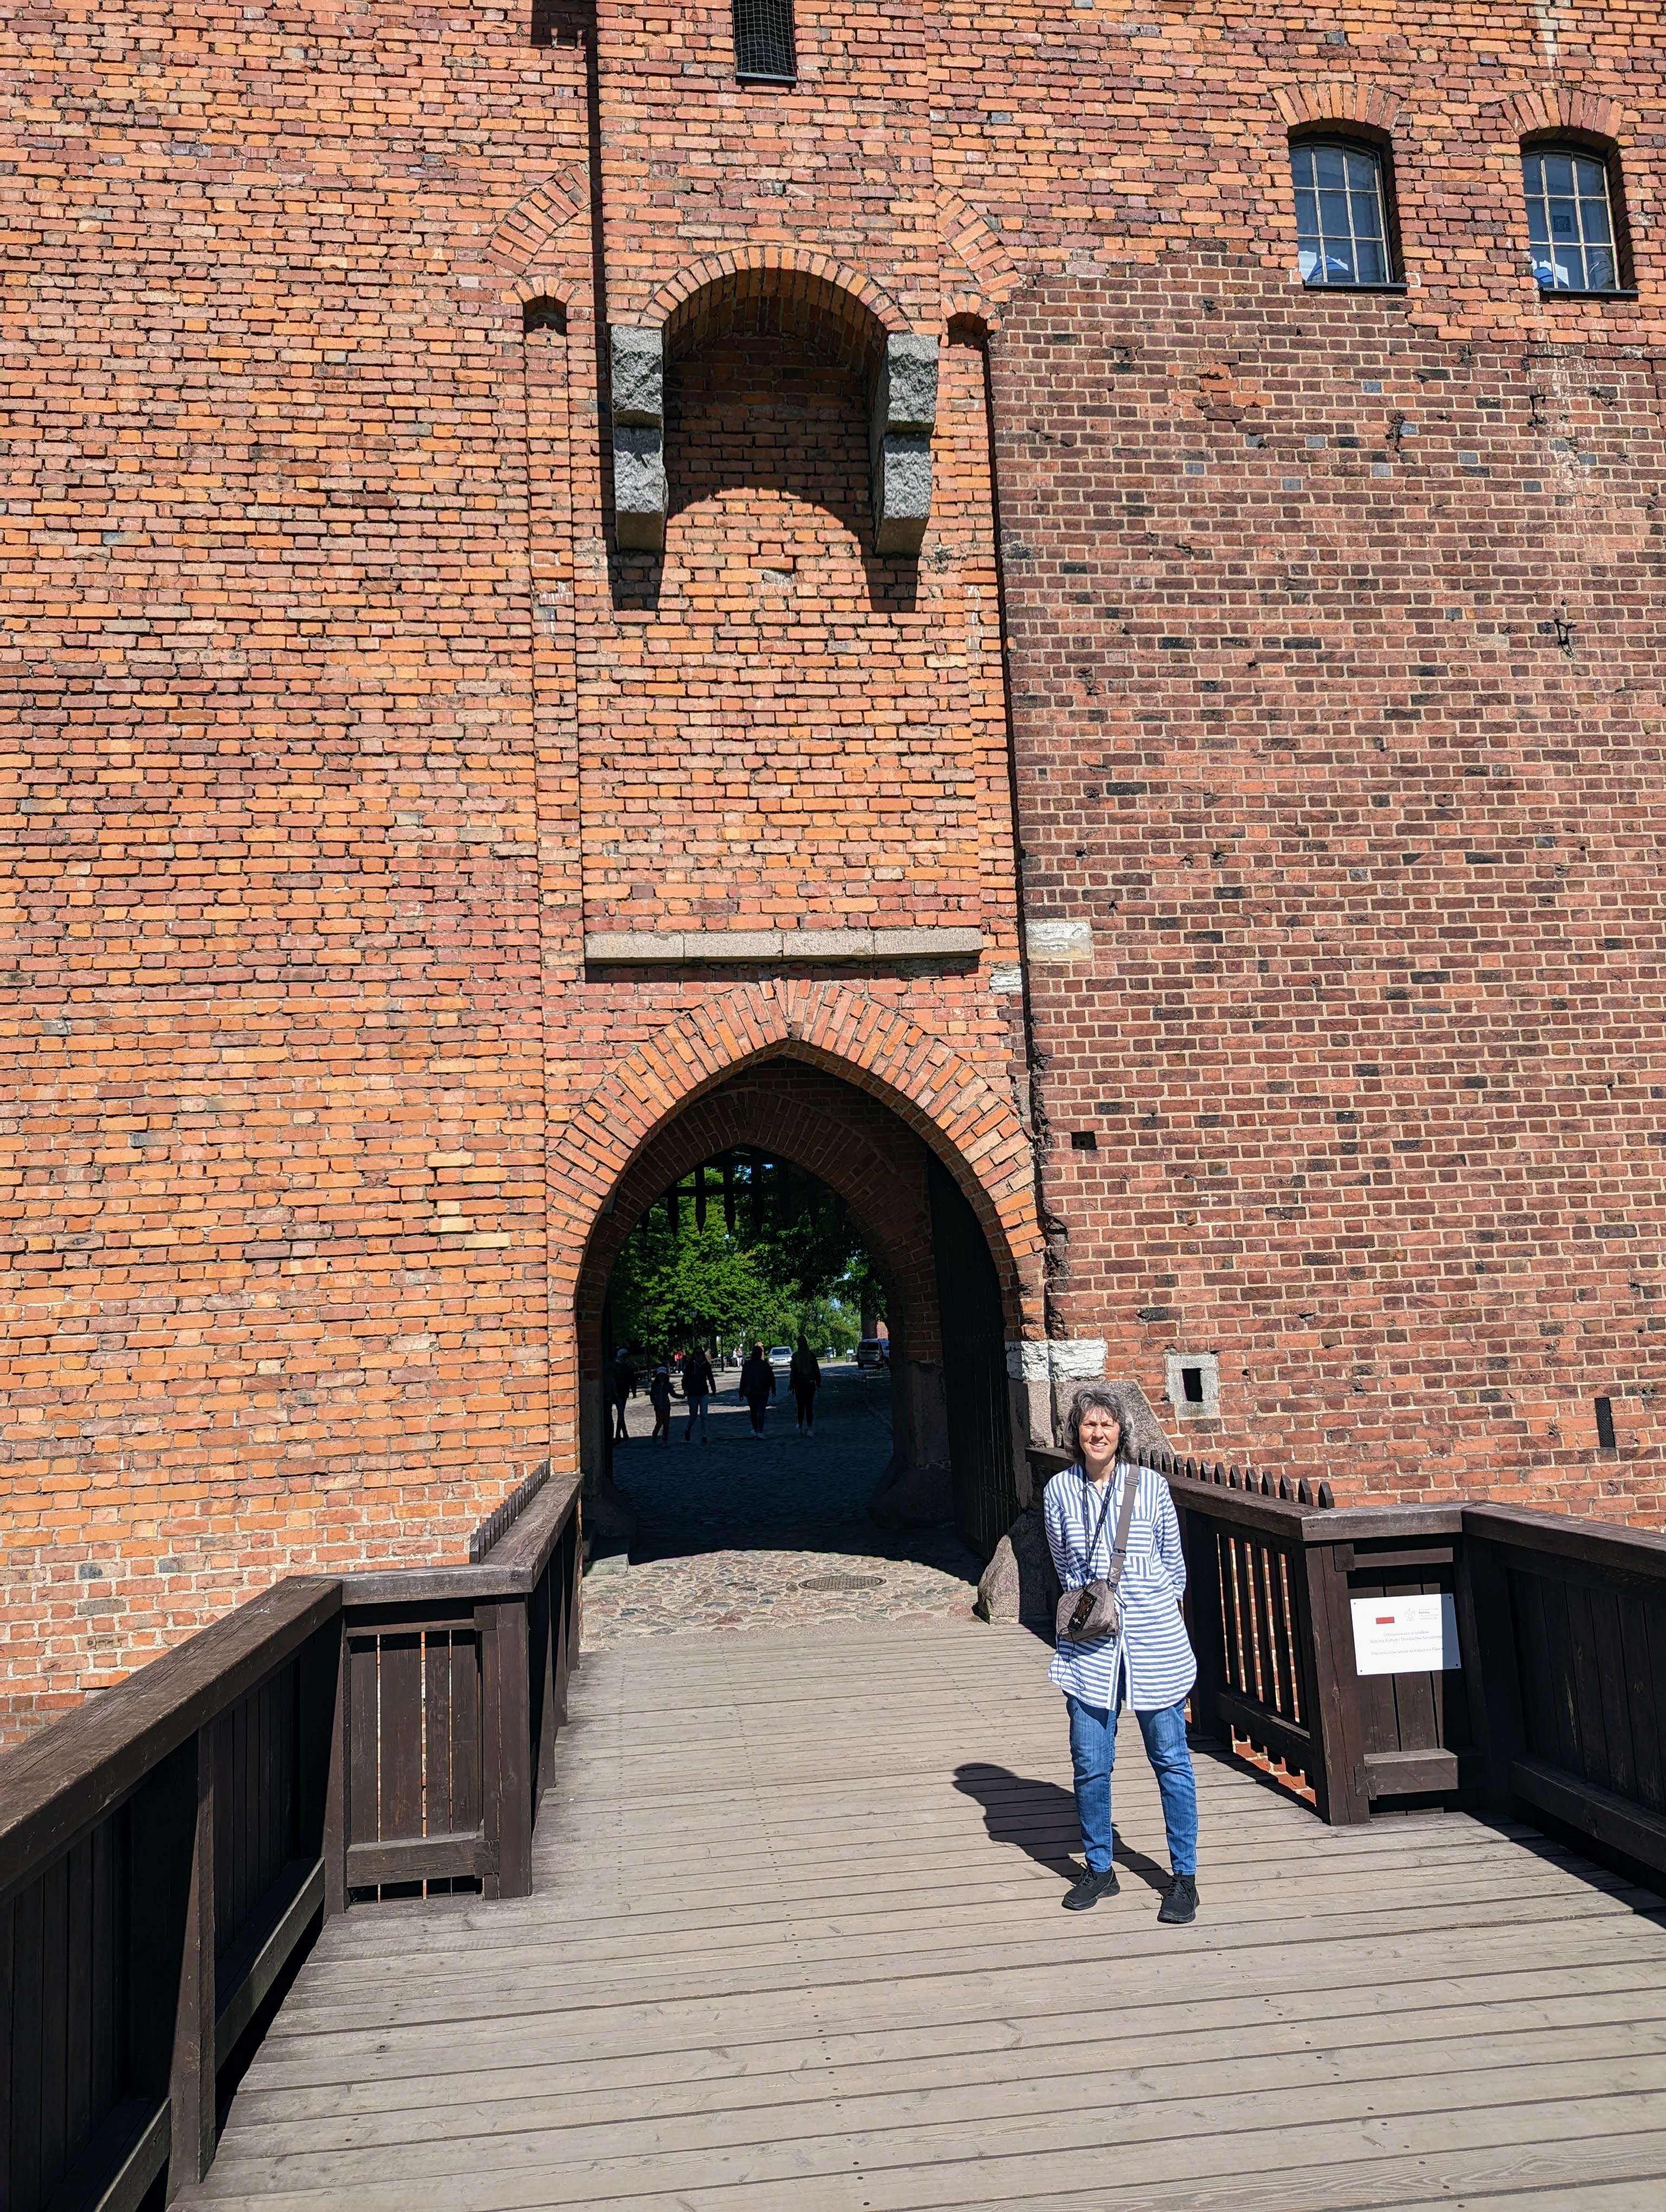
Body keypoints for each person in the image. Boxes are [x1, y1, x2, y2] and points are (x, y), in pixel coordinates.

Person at [1042, 1382, 1200, 1925]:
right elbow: (1064, 1565)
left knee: (1171, 1760)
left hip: (1154, 1640)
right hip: (1090, 1646)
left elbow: (1174, 1566)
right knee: (1090, 1762)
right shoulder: (1059, 1491)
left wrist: (1144, 1604)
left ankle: (1184, 1877)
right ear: (1075, 1433)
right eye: (1089, 1424)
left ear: (1121, 1432)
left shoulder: (1151, 1486)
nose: (1098, 1433)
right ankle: (1100, 1868)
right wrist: (1101, 1608)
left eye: (1107, 1424)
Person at [739, 1340, 774, 1438]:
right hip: (763, 1391)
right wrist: (773, 1389)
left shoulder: (747, 1365)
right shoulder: (765, 1365)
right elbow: (771, 1377)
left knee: (753, 1411)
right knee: (761, 1412)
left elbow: (744, 1379)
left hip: (752, 1392)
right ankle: (760, 1431)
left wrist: (741, 1391)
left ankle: (755, 1429)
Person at [682, 1344, 716, 1444]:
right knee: (693, 1415)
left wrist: (713, 1390)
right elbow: (685, 1379)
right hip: (692, 1393)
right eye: (697, 1354)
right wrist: (686, 1390)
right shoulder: (690, 1365)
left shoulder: (705, 1364)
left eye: (701, 1353)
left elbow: (710, 1377)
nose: (699, 1355)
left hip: (703, 1392)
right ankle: (688, 1429)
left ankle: (704, 1435)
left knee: (704, 1415)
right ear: (694, 1354)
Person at [789, 1334, 821, 1436]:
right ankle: (810, 1427)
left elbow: (793, 1373)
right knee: (809, 1406)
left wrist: (791, 1385)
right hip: (810, 1383)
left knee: (800, 1406)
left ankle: (801, 1426)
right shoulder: (811, 1355)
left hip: (799, 1384)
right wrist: (818, 1382)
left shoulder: (795, 1356)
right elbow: (816, 1370)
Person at [611, 1347, 636, 1442]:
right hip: (617, 1394)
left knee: (621, 1413)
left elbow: (632, 1381)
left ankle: (622, 1434)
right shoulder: (615, 1367)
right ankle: (621, 1434)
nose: (626, 1358)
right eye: (624, 1357)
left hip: (624, 1393)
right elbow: (613, 1380)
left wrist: (634, 1391)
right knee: (621, 1413)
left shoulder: (628, 1368)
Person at [648, 1363, 673, 1446]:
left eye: (663, 1375)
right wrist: (654, 1402)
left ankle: (665, 1440)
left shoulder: (668, 1385)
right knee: (659, 1423)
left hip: (666, 1406)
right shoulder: (655, 1385)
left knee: (666, 1424)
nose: (662, 1376)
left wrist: (682, 1396)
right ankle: (655, 1433)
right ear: (658, 1376)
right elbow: (651, 1395)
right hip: (658, 1407)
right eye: (660, 1375)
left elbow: (673, 1394)